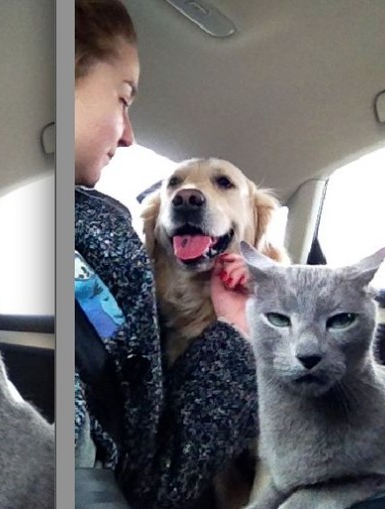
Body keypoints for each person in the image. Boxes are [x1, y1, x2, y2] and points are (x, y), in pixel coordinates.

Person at [74, 1, 258, 507]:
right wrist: (234, 335)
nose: (190, 195)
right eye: (124, 98)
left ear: (255, 224)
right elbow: (157, 481)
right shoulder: (100, 247)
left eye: (222, 184)